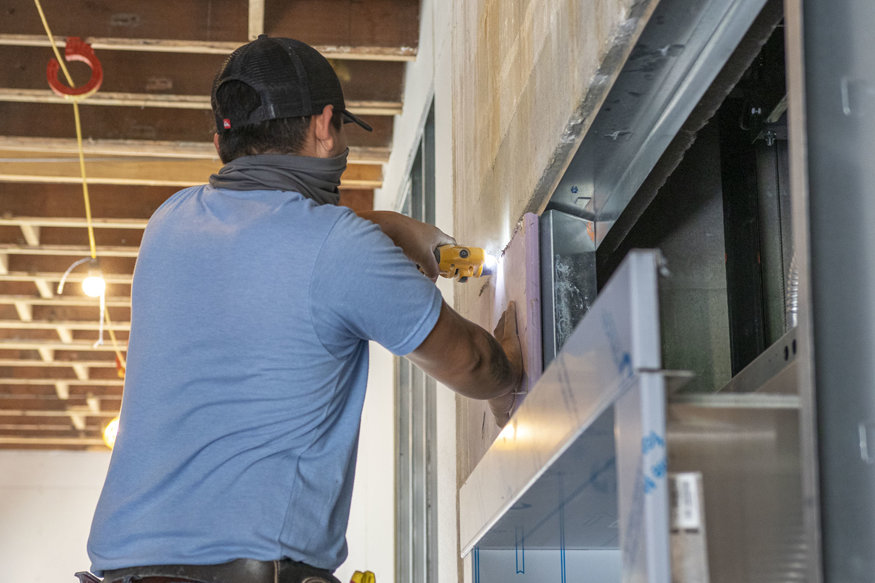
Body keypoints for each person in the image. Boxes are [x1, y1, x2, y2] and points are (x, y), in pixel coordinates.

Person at [82, 35, 522, 583]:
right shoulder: (339, 249)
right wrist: (514, 376)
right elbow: (475, 365)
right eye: (339, 133)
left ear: (224, 136)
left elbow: (271, 246)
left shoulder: (168, 224)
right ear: (324, 123)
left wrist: (386, 227)